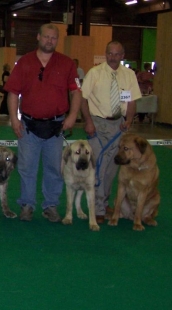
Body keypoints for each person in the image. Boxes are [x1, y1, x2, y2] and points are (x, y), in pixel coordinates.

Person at [4, 23, 81, 222]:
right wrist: (14, 119)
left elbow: (76, 91)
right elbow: (12, 92)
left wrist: (73, 115)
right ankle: (27, 204)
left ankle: (51, 206)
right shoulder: (25, 62)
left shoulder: (66, 63)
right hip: (29, 125)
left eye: (53, 38)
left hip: (56, 126)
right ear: (38, 37)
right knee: (27, 168)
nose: (49, 41)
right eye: (46, 37)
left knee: (54, 168)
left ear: (57, 40)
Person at [80, 41, 140, 223]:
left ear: (122, 56)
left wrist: (128, 120)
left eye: (116, 54)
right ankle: (96, 208)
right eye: (110, 54)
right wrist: (88, 122)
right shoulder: (94, 73)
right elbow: (83, 99)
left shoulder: (129, 75)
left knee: (111, 169)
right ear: (105, 54)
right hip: (98, 124)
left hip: (118, 126)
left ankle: (103, 202)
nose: (113, 57)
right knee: (98, 166)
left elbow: (131, 101)